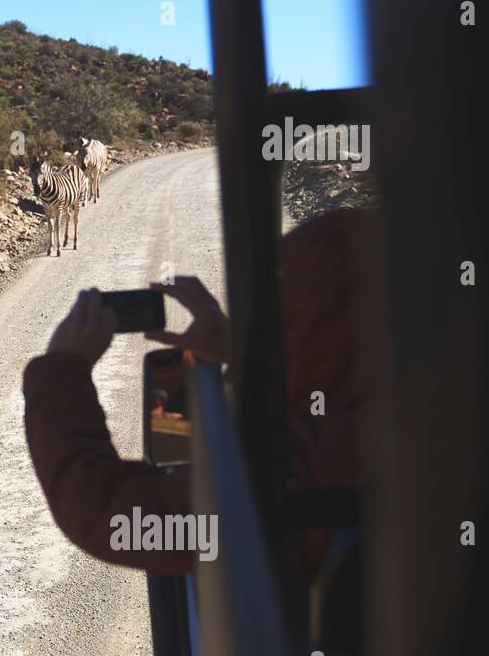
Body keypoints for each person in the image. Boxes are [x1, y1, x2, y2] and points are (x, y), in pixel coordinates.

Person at [22, 209, 382, 574]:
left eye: (277, 321)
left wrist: (63, 370)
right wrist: (238, 352)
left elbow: (106, 515)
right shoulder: (409, 429)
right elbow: (322, 379)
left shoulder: (308, 469)